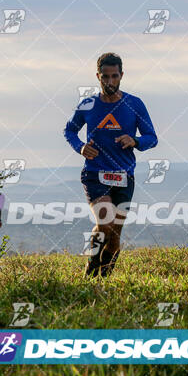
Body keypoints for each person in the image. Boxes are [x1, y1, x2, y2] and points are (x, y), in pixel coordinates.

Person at [64, 52, 158, 277]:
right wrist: (80, 147)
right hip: (95, 173)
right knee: (104, 223)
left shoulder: (134, 104)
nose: (110, 82)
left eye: (114, 76)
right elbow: (70, 130)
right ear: (98, 76)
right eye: (105, 77)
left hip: (124, 174)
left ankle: (103, 277)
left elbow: (151, 137)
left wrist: (135, 141)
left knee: (114, 236)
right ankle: (90, 270)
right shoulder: (88, 105)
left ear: (121, 75)